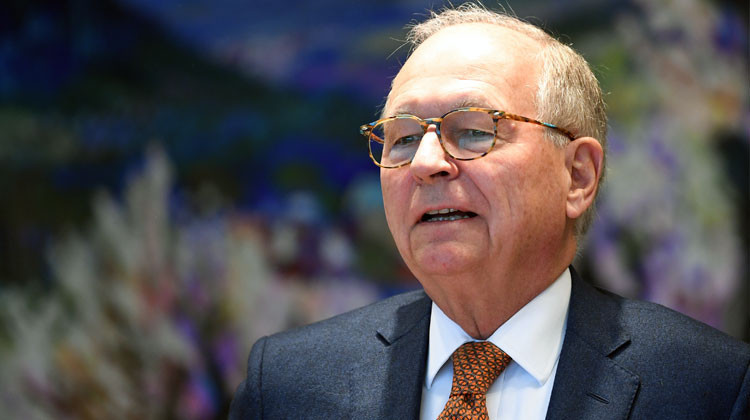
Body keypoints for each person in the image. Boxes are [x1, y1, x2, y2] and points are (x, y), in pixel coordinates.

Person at [230, 4, 749, 419]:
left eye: (474, 130)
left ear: (577, 176)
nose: (426, 163)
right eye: (403, 138)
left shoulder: (711, 387)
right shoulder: (287, 384)